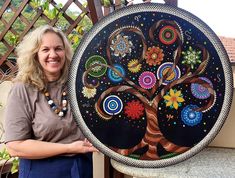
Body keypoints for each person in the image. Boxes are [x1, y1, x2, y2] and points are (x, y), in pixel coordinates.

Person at [4, 25, 98, 178]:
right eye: (45, 49)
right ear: (35, 55)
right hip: (42, 171)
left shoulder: (77, 85)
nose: (53, 54)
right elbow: (15, 147)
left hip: (81, 168)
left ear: (65, 52)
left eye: (58, 48)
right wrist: (69, 148)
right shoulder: (23, 90)